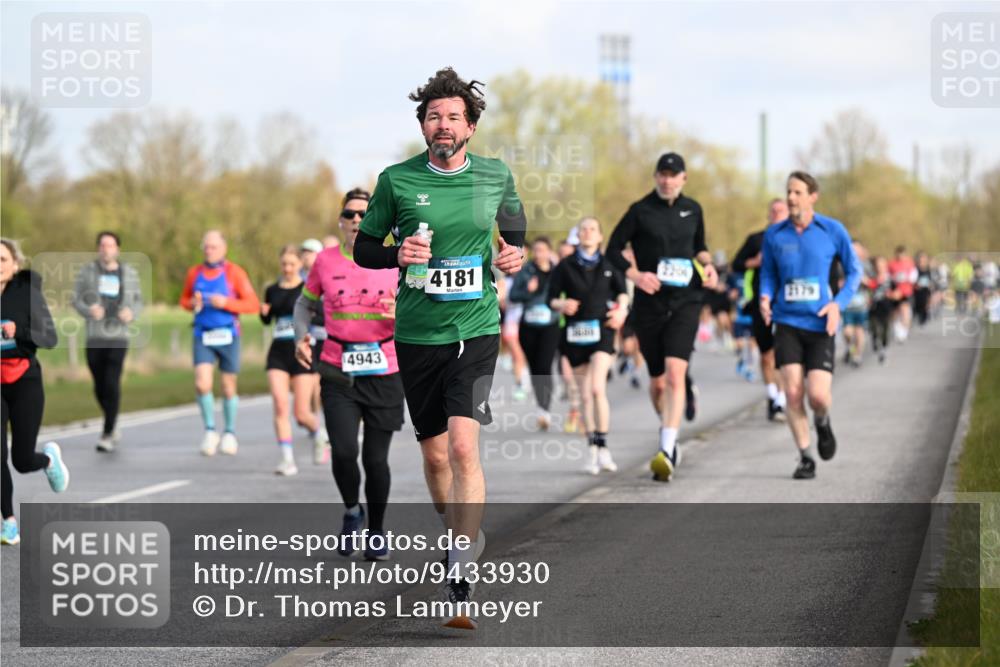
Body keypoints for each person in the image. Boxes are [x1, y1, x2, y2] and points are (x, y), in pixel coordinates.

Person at [353, 67, 526, 620]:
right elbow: (364, 248)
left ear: (471, 127)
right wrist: (395, 255)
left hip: (475, 328)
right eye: (434, 116)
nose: (443, 124)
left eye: (454, 116)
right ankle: (454, 529)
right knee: (433, 456)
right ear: (423, 125)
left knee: (462, 448)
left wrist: (512, 253)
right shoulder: (397, 180)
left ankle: (460, 562)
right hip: (418, 332)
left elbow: (515, 228)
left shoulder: (495, 176)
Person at [295, 187, 405, 561]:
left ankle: (376, 530)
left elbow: (422, 308)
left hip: (386, 368)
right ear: (341, 221)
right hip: (337, 368)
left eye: (364, 214)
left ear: (377, 219)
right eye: (350, 215)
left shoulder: (397, 259)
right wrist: (300, 335)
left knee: (375, 460)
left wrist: (400, 312)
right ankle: (351, 511)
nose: (357, 220)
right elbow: (303, 304)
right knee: (343, 451)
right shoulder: (324, 261)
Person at [606, 152, 719, 482]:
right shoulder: (640, 211)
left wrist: (708, 265)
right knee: (657, 384)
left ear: (684, 178)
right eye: (662, 174)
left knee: (674, 374)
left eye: (674, 175)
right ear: (656, 177)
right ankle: (668, 428)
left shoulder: (693, 209)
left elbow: (700, 247)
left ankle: (667, 447)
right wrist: (637, 275)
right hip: (650, 304)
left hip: (686, 299)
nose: (668, 180)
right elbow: (612, 249)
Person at [759, 172, 861, 480]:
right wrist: (765, 296)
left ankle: (822, 421)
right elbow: (768, 273)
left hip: (819, 324)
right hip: (787, 321)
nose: (791, 198)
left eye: (797, 192)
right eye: (788, 191)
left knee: (817, 395)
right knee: (792, 393)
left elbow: (855, 272)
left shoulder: (832, 230)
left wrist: (837, 304)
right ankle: (805, 457)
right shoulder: (775, 235)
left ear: (812, 196)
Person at [1, 239, 69, 546]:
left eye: (2, 259)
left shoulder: (27, 293)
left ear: (15, 264)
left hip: (25, 380)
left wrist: (20, 332)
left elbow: (50, 337)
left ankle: (48, 461)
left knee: (22, 459)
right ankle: (9, 522)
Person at [549, 217, 629, 474]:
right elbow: (551, 298)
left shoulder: (610, 264)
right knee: (584, 395)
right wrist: (562, 305)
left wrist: (622, 311)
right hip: (575, 333)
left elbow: (622, 292)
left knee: (596, 389)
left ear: (600, 236)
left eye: (592, 229)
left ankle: (604, 446)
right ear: (578, 236)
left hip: (602, 330)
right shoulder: (565, 265)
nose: (587, 233)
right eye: (583, 229)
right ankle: (592, 448)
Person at [179, 230, 260, 456]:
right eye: (206, 246)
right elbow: (183, 300)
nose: (209, 250)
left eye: (213, 246)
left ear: (223, 249)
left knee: (227, 386)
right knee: (202, 384)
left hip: (228, 335)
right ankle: (210, 430)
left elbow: (252, 304)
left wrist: (226, 302)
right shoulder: (194, 273)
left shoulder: (234, 273)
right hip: (202, 334)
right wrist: (192, 304)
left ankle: (230, 433)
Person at [71, 231, 143, 452]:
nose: (106, 249)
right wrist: (88, 309)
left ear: (117, 249)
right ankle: (112, 418)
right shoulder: (87, 272)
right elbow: (75, 299)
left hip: (118, 336)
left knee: (112, 382)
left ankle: (108, 432)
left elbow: (139, 300)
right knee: (99, 386)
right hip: (95, 335)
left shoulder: (129, 273)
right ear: (98, 249)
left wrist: (131, 313)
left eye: (110, 245)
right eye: (102, 245)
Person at [261, 245, 326, 475]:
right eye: (284, 264)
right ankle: (287, 459)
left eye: (292, 264)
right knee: (280, 404)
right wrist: (264, 312)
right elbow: (267, 320)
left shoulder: (307, 289)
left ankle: (320, 435)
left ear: (300, 265)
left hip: (302, 350)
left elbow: (321, 315)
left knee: (301, 414)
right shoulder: (271, 290)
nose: (287, 268)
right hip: (278, 350)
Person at [731, 198, 789, 420]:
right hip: (760, 302)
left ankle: (782, 402)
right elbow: (735, 264)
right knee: (767, 355)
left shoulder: (794, 238)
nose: (776, 214)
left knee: (783, 355)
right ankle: (773, 397)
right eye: (773, 211)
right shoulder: (756, 239)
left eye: (780, 211)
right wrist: (754, 262)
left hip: (785, 302)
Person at [509, 236, 561, 430]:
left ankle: (544, 410)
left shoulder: (558, 272)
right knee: (534, 368)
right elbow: (514, 295)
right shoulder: (526, 271)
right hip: (528, 327)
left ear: (549, 251)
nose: (539, 253)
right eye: (536, 250)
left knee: (545, 366)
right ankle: (541, 406)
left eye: (543, 250)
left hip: (550, 325)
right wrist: (530, 291)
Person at [299, 237, 329, 455]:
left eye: (310, 252)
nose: (305, 256)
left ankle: (325, 426)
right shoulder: (298, 277)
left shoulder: (327, 272)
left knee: (321, 386)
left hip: (327, 336)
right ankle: (317, 425)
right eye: (304, 252)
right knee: (309, 390)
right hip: (308, 338)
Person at [841, 241, 872, 367]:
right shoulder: (842, 264)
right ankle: (851, 348)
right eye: (852, 249)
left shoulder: (866, 266)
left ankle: (857, 356)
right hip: (847, 305)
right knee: (847, 333)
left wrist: (865, 281)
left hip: (861, 305)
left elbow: (874, 283)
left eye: (857, 249)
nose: (855, 252)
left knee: (859, 331)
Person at [867, 256, 894, 365]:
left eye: (882, 265)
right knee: (875, 328)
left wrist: (893, 294)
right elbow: (868, 288)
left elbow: (897, 290)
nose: (880, 268)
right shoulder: (872, 277)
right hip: (874, 307)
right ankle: (875, 340)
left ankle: (884, 348)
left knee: (885, 330)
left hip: (886, 307)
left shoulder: (890, 278)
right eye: (877, 266)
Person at [888, 245, 916, 342]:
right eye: (899, 254)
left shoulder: (910, 264)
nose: (900, 256)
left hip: (906, 292)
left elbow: (913, 277)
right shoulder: (891, 264)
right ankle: (897, 329)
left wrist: (906, 280)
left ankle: (904, 331)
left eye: (902, 254)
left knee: (905, 311)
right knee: (895, 313)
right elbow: (888, 277)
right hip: (895, 292)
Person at [913, 251, 933, 327]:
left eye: (924, 260)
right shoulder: (915, 269)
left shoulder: (928, 270)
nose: (922, 262)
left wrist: (930, 285)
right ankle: (916, 316)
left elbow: (931, 280)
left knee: (925, 304)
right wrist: (915, 285)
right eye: (921, 260)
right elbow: (912, 279)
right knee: (917, 304)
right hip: (916, 291)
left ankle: (924, 316)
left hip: (926, 290)